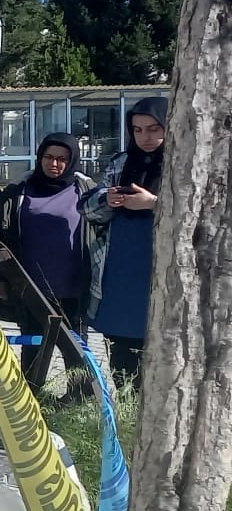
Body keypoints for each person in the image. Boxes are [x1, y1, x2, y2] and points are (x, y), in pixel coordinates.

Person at [0, 133, 91, 382]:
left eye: (61, 159)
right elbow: (0, 235)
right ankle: (33, 398)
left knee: (76, 352)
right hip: (30, 287)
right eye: (48, 157)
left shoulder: (87, 190)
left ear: (72, 160)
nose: (54, 164)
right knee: (33, 347)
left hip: (73, 288)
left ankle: (79, 401)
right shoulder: (17, 190)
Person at [84, 97, 167, 382]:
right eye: (138, 129)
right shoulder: (121, 162)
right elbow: (88, 210)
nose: (146, 137)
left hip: (165, 273)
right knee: (123, 365)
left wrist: (153, 203)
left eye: (154, 129)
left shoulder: (183, 163)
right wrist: (108, 199)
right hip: (120, 275)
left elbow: (202, 214)